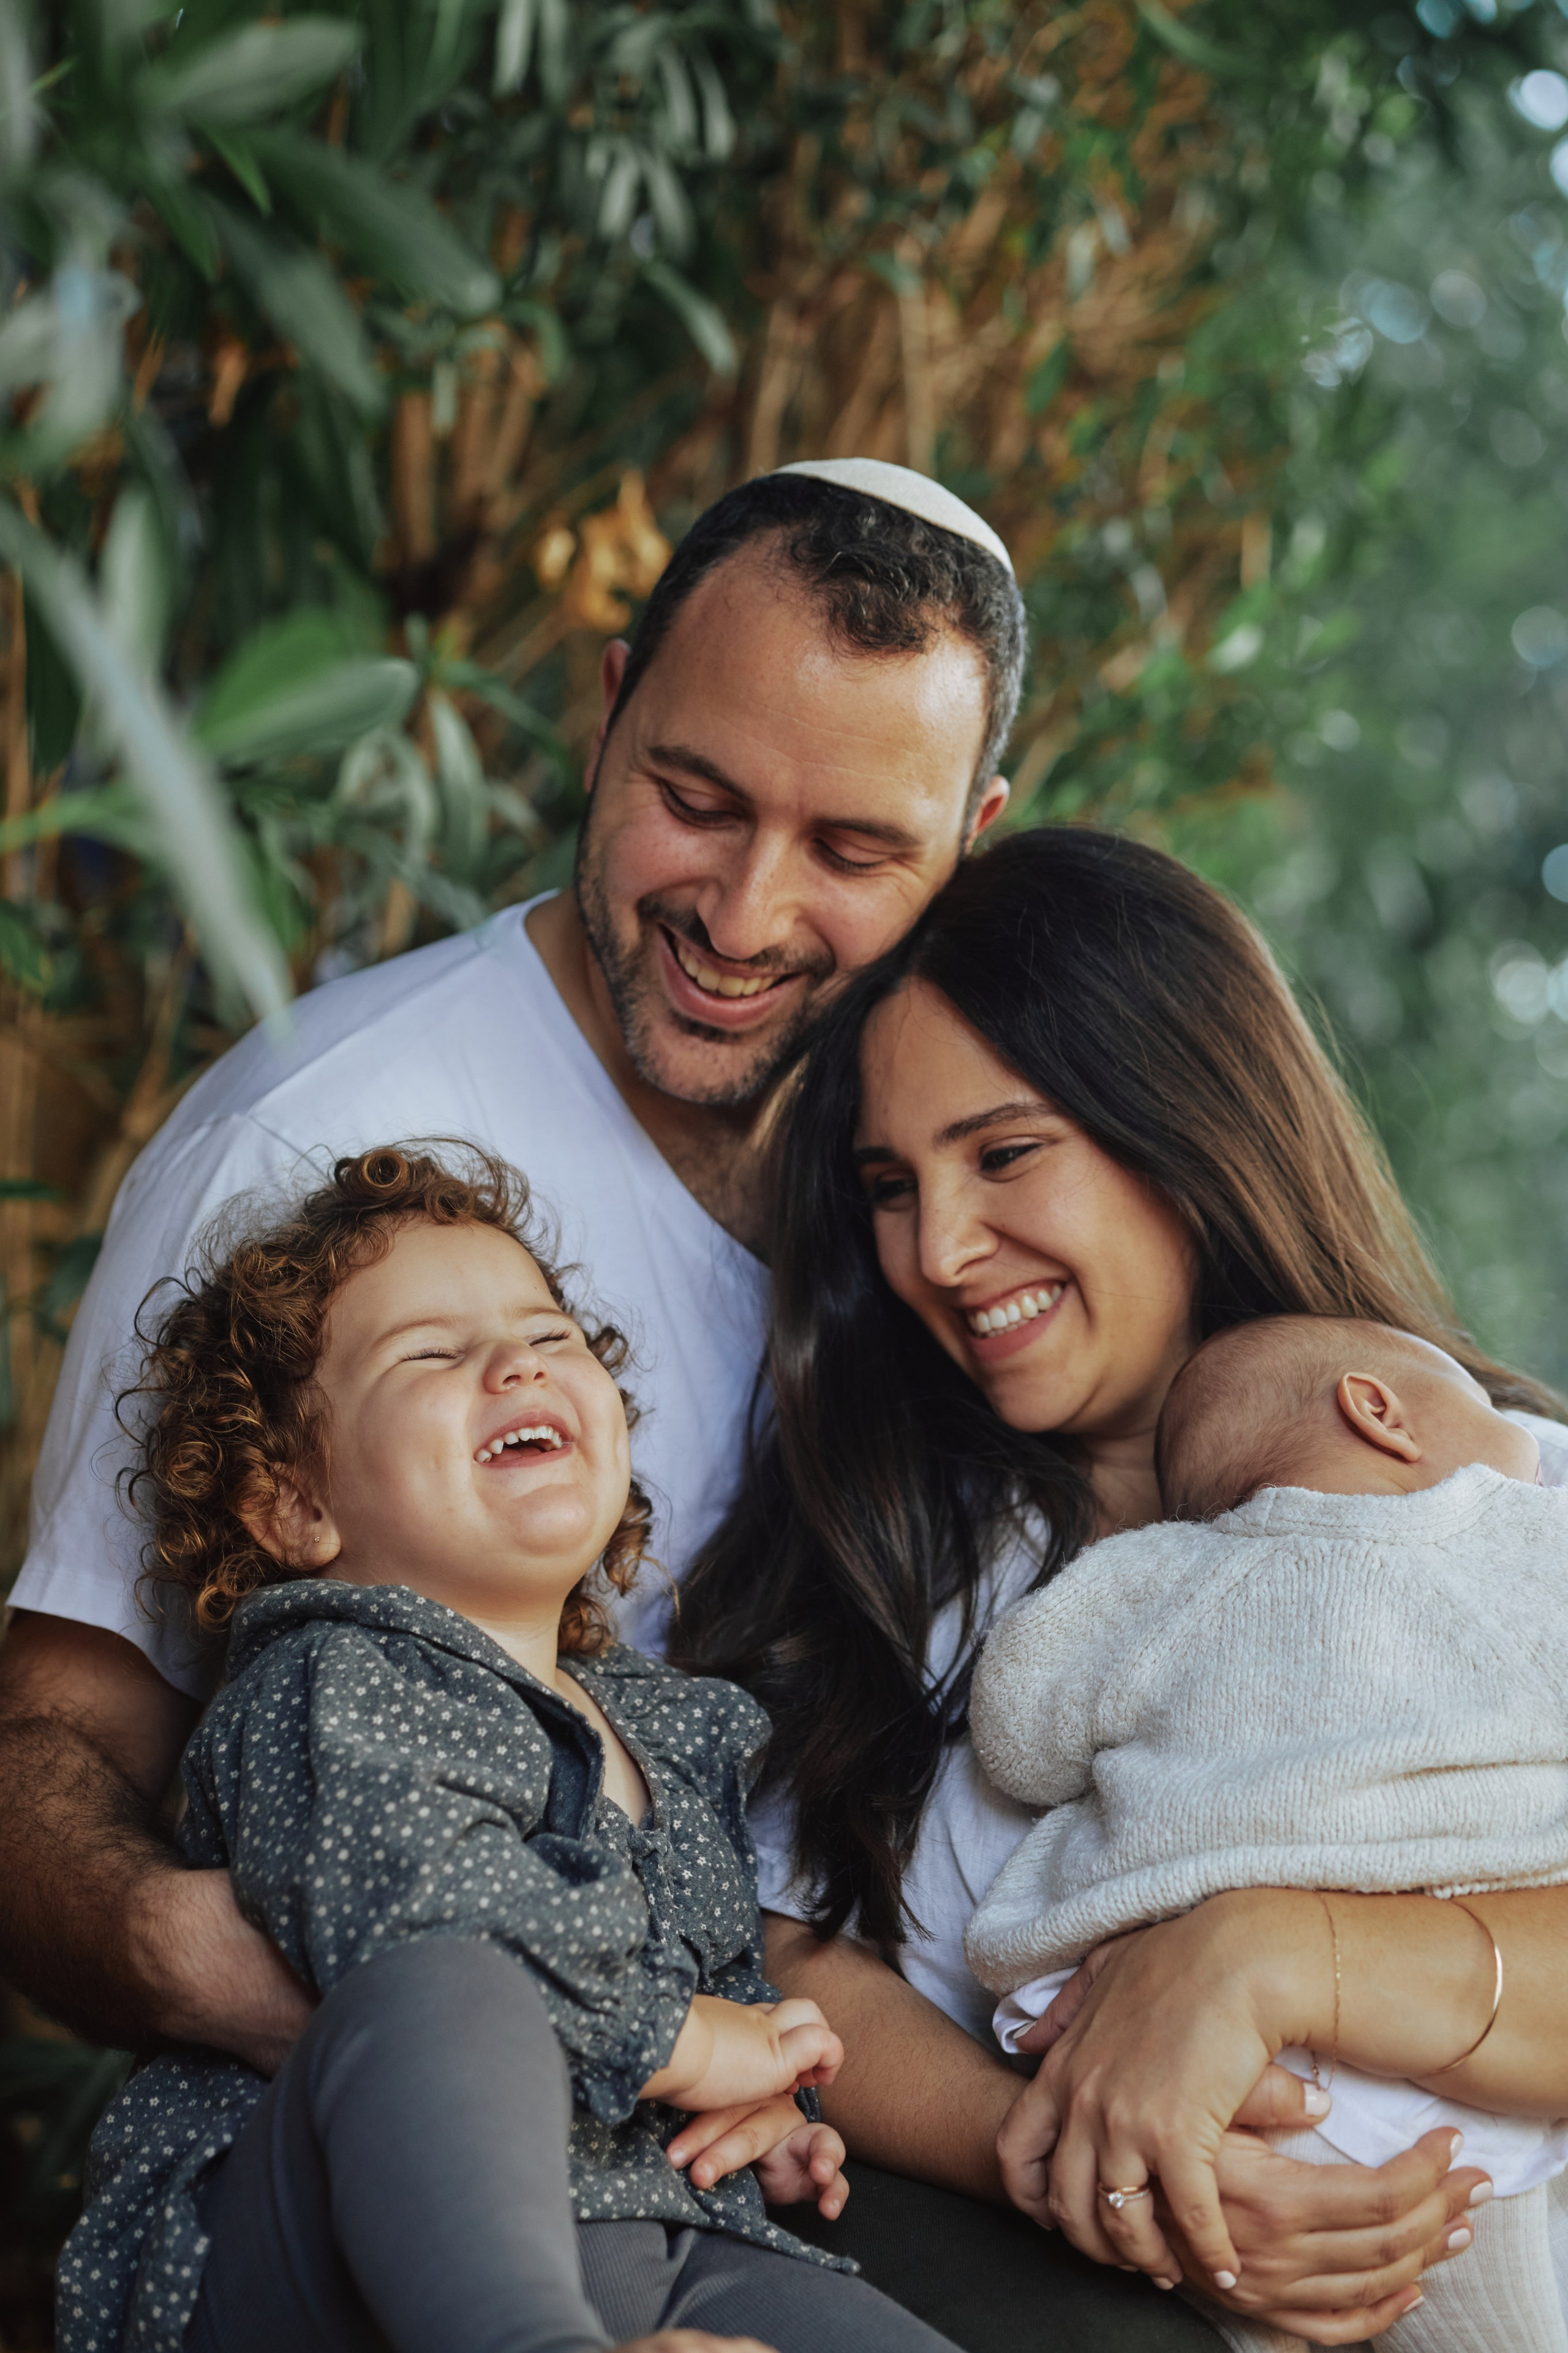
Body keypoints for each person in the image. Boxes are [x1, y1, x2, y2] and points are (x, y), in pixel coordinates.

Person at [0, 465, 1477, 2349]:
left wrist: (1189, 2063)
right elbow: (53, 1745)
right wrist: (245, 1957)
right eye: (696, 798)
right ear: (608, 710)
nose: (745, 910)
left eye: (855, 850)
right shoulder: (322, 1139)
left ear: (974, 840)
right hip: (416, 2133)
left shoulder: (956, 1212)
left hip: (809, 2130)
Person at [676, 825, 1568, 2347]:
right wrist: (1074, 2160)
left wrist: (1262, 1956)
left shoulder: (1498, 1498)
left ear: (1185, 1126)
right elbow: (782, 1944)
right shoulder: (899, 1568)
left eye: (1006, 1153)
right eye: (890, 1186)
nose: (939, 1251)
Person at [60, 1141, 963, 2353]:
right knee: (449, 1974)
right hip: (325, 2256)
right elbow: (421, 1908)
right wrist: (684, 2041)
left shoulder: (663, 1726)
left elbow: (715, 1981)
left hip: (650, 2233)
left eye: (552, 1337)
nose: (516, 1361)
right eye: (430, 1352)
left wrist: (765, 2104)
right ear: (296, 1503)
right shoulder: (331, 1679)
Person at [967, 1313, 1568, 2353]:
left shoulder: (1152, 1578)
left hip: (1194, 2080)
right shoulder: (1511, 1532)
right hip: (1430, 2041)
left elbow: (1018, 1734)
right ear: (1378, 1411)